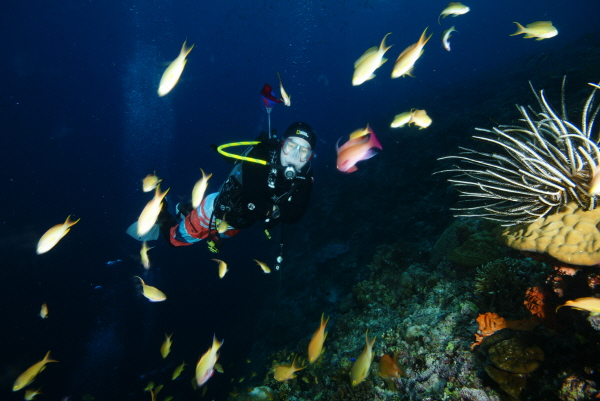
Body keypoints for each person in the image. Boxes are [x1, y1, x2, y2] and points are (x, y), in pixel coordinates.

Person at [156, 122, 316, 254]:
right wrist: (276, 211)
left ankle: (185, 209)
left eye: (304, 151)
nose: (295, 155)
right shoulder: (260, 154)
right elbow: (251, 204)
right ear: (281, 144)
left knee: (222, 236)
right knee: (174, 240)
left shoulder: (305, 177)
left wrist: (269, 210)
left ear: (309, 157)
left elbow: (295, 215)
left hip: (240, 222)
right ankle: (160, 212)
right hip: (216, 210)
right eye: (291, 146)